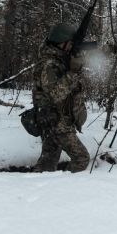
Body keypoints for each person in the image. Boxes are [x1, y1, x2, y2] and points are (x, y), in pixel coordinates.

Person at [31, 23, 90, 173]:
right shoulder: (49, 64)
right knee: (81, 159)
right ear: (61, 43)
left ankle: (38, 185)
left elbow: (87, 51)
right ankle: (65, 186)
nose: (72, 46)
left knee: (47, 163)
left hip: (54, 119)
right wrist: (73, 72)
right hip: (55, 121)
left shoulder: (61, 58)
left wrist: (112, 48)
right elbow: (54, 95)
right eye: (70, 43)